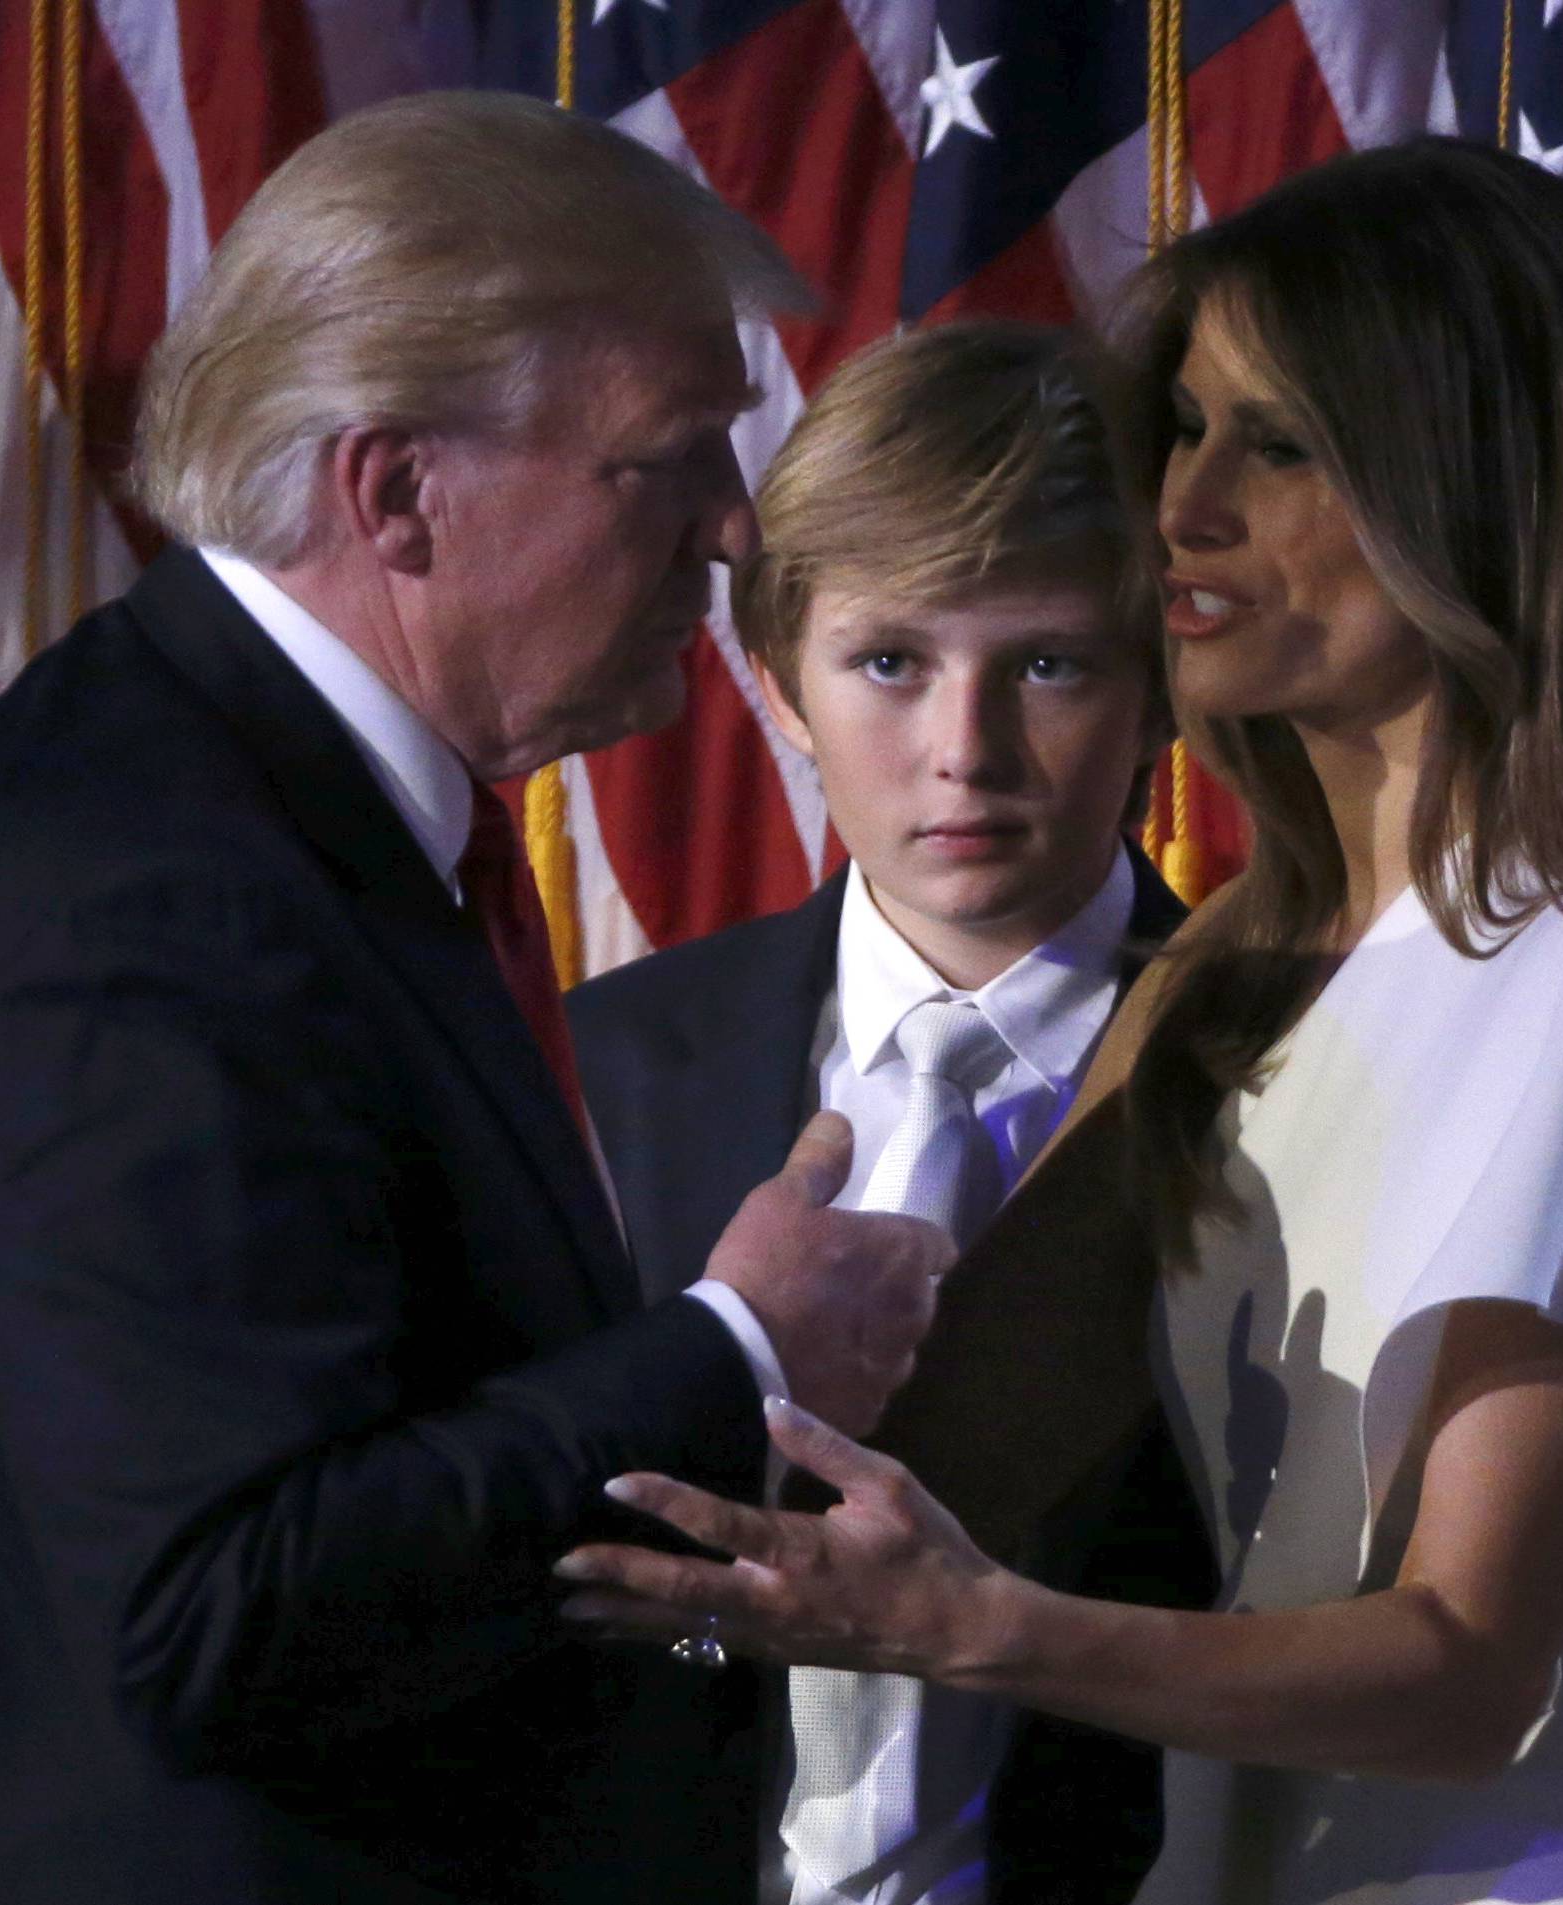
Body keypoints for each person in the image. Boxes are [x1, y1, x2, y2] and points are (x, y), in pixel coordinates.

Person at [551, 138, 1563, 1904]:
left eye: (1277, 446)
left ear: (1471, 487)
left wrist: (985, 1632)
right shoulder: (1236, 971)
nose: (1178, 508)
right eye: (1183, 430)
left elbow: (1472, 1668)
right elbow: (926, 1476)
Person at [0, 91, 951, 1905]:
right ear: (399, 493)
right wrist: (736, 1359)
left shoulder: (325, 821)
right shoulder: (149, 878)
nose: (738, 532)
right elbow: (218, 1606)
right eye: (669, 460)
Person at [565, 320, 1215, 1905]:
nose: (964, 753)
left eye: (1049, 662)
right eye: (890, 662)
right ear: (780, 678)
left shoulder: (1292, 1054)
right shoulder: (600, 1058)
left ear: (1165, 694)